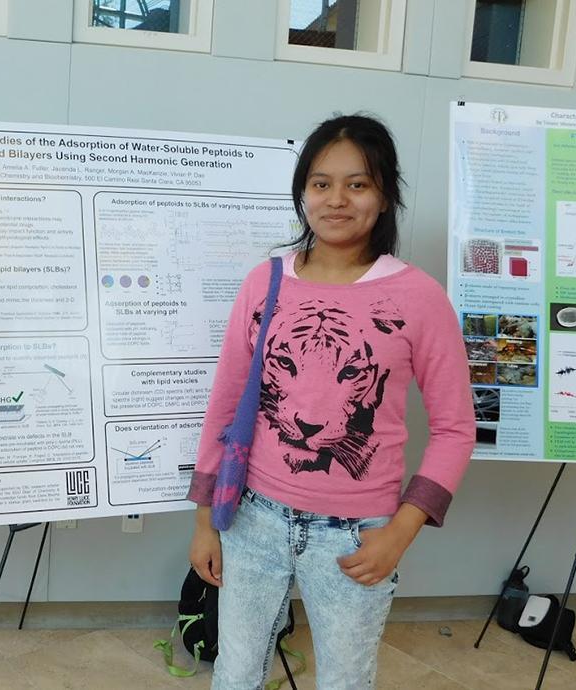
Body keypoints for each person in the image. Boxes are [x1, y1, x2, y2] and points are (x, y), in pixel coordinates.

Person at [187, 114, 475, 689]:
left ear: (385, 194)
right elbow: (226, 405)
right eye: (321, 184)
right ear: (303, 194)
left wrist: (400, 531)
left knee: (344, 680)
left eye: (357, 183)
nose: (337, 199)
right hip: (253, 517)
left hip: (355, 533)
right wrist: (205, 519)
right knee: (236, 671)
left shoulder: (418, 296)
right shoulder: (264, 282)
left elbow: (455, 428)